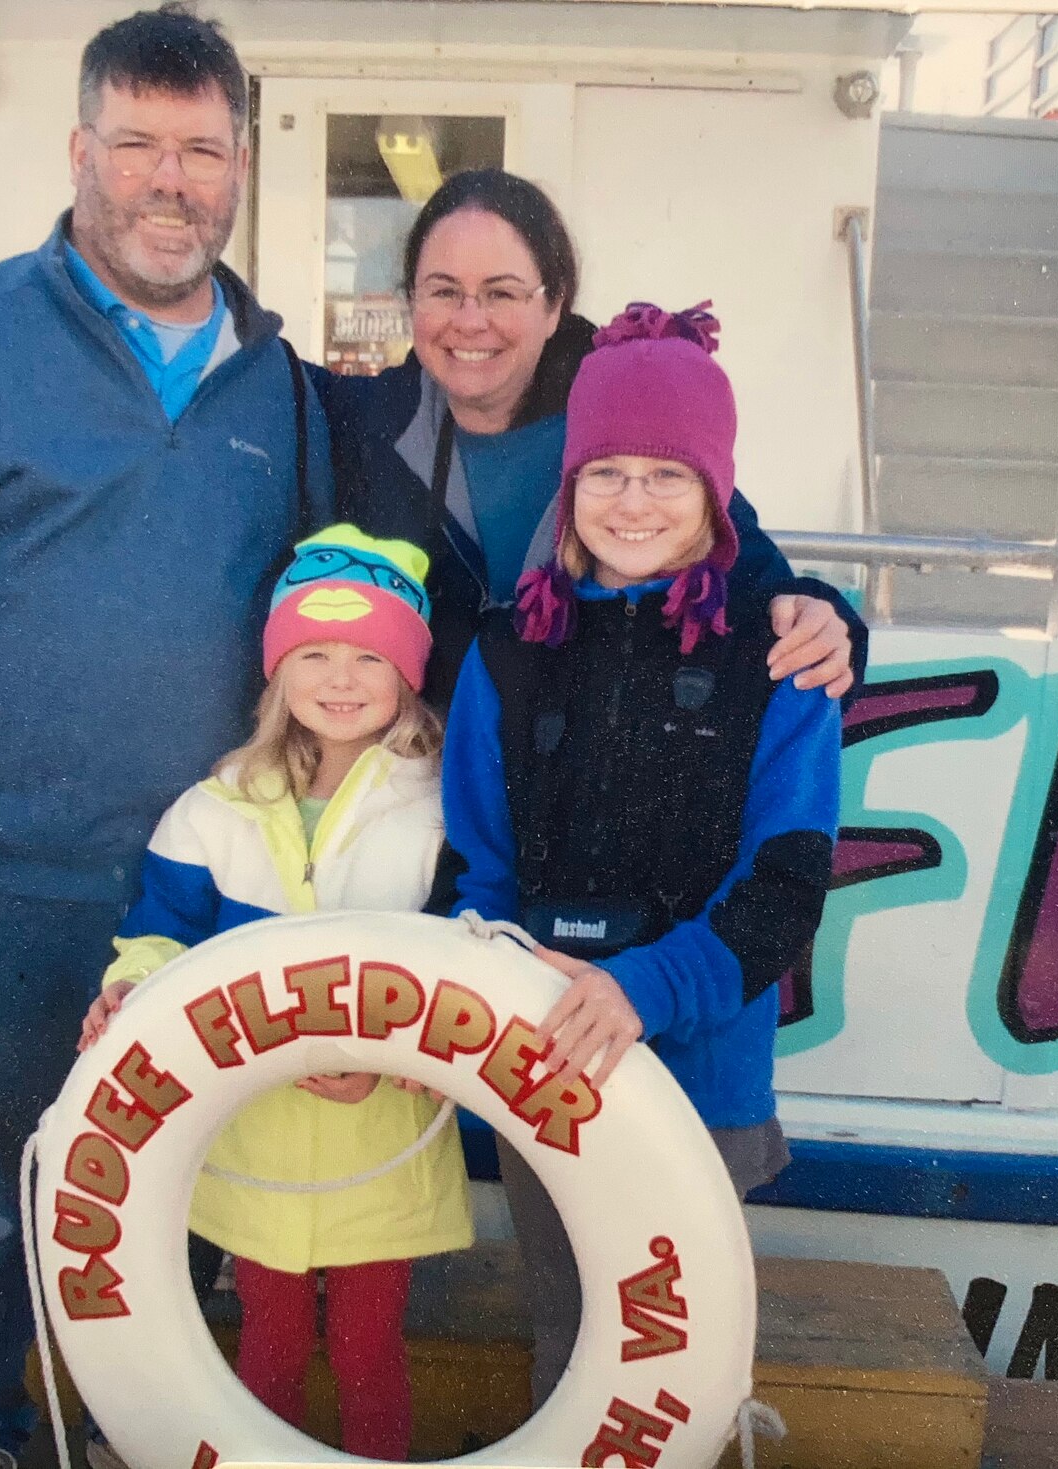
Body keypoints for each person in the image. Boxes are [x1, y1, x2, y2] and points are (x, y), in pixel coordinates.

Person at [0, 8, 330, 1466]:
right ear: (81, 150)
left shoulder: (278, 381)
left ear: (238, 169)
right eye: (140, 144)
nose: (171, 180)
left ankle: (145, 1422)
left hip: (209, 892)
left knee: (184, 1186)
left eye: (202, 149)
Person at [435, 302, 842, 1405]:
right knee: (567, 1343)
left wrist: (644, 987)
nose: (631, 501)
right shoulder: (508, 648)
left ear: (717, 493)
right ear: (567, 487)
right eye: (603, 470)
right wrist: (514, 981)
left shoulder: (780, 655)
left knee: (681, 1362)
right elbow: (478, 867)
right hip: (545, 1050)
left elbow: (786, 883)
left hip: (700, 1069)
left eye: (666, 475)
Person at [81, 527, 472, 1462]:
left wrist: (397, 1062)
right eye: (314, 654)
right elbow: (158, 934)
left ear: (408, 669)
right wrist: (129, 990)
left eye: (370, 655)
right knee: (270, 1342)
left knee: (370, 1347)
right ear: (277, 671)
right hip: (251, 1142)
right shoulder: (215, 805)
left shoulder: (445, 805)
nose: (341, 679)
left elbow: (470, 958)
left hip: (379, 1144)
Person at [319, 168, 868, 705]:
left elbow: (740, 561)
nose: (469, 321)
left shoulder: (618, 419)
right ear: (410, 299)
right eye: (442, 291)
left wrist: (824, 619)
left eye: (501, 294)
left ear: (555, 305)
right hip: (409, 781)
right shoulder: (368, 426)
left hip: (572, 783)